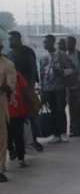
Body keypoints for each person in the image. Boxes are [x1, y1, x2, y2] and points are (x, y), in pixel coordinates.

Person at [7, 31, 43, 152]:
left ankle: (34, 140)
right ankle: (19, 144)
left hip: (27, 89)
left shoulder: (27, 52)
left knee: (31, 116)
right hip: (14, 92)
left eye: (11, 39)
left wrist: (30, 89)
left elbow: (33, 70)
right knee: (17, 119)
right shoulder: (9, 54)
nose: (9, 42)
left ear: (18, 39)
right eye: (9, 39)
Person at [40, 35, 74, 143]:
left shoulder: (62, 55)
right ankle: (55, 134)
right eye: (44, 42)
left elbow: (72, 69)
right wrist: (42, 89)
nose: (44, 44)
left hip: (60, 87)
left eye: (46, 42)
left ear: (52, 42)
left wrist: (61, 72)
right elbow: (41, 74)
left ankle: (63, 133)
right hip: (48, 88)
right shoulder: (43, 57)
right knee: (53, 111)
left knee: (60, 110)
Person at [0, 38, 17, 182]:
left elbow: (10, 86)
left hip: (0, 104)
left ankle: (0, 168)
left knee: (1, 138)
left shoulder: (7, 64)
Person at [8, 72, 31, 168]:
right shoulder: (16, 74)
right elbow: (25, 90)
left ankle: (11, 150)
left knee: (7, 134)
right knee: (18, 135)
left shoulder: (16, 74)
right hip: (17, 109)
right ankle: (21, 158)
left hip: (6, 110)